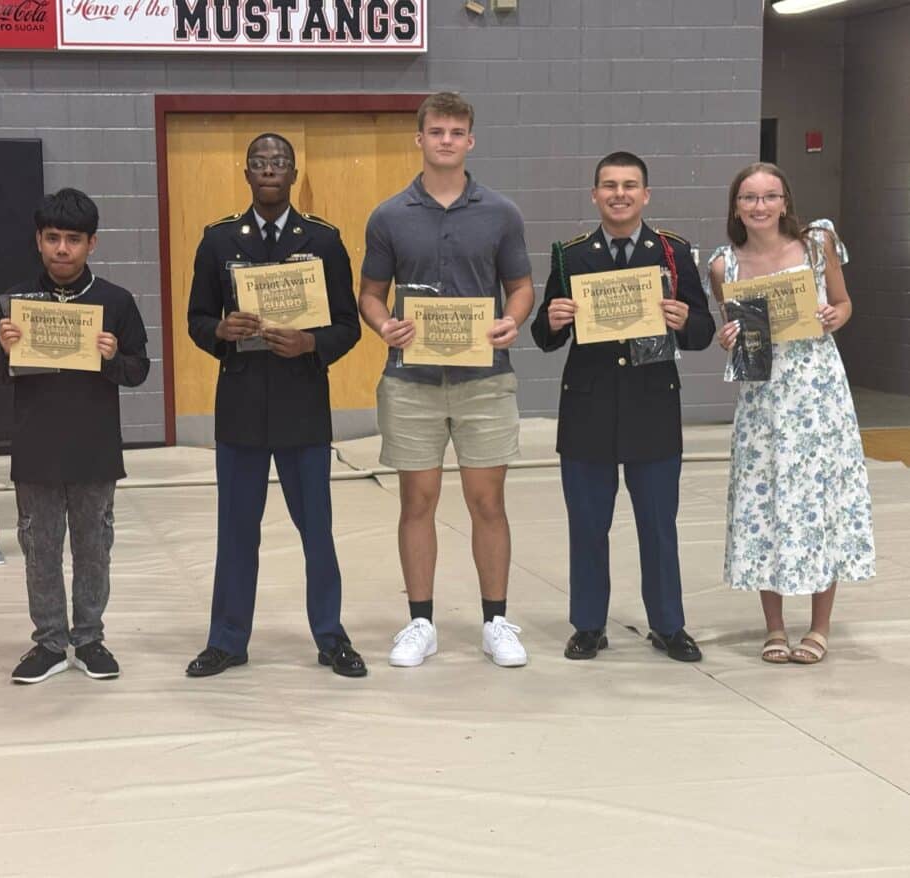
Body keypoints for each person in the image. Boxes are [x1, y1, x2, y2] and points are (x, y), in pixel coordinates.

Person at [358, 92, 536, 668]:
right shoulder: (388, 216)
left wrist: (513, 320)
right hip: (411, 381)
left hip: (485, 380)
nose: (446, 140)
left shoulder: (502, 213)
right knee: (418, 501)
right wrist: (384, 325)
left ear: (470, 141)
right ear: (420, 138)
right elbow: (370, 294)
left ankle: (496, 622)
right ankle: (421, 623)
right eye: (436, 131)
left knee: (488, 501)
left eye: (457, 132)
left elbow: (521, 287)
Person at [185, 132, 367, 679]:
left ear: (293, 174)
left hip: (301, 406)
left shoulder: (324, 241)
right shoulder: (218, 240)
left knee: (317, 532)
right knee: (237, 532)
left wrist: (311, 343)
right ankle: (227, 640)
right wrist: (219, 331)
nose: (269, 169)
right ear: (246, 173)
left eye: (279, 162)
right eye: (260, 162)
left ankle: (331, 637)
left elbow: (348, 325)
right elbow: (196, 319)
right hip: (240, 405)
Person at [530, 152, 714, 662]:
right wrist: (554, 319)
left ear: (645, 195)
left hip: (652, 407)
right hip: (588, 408)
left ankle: (669, 625)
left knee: (658, 525)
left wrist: (684, 320)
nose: (619, 194)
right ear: (594, 195)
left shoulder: (673, 252)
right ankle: (589, 625)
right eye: (609, 185)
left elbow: (703, 330)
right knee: (588, 526)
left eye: (629, 185)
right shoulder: (570, 256)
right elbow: (544, 335)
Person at [708, 162, 875, 665]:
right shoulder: (723, 266)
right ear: (736, 207)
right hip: (762, 400)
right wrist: (726, 338)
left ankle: (819, 627)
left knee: (821, 501)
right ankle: (775, 627)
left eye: (769, 196)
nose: (760, 206)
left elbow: (844, 304)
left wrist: (834, 315)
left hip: (818, 394)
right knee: (766, 503)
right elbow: (734, 332)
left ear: (785, 202)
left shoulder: (818, 244)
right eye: (749, 197)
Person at [0, 188, 150, 684]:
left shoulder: (116, 302)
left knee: (93, 548)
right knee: (40, 549)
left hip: (93, 449)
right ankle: (49, 642)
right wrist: (5, 351)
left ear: (91, 243)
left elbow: (139, 370)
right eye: (53, 238)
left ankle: (89, 638)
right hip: (35, 448)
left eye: (74, 239)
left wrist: (112, 358)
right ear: (38, 240)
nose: (63, 248)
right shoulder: (18, 303)